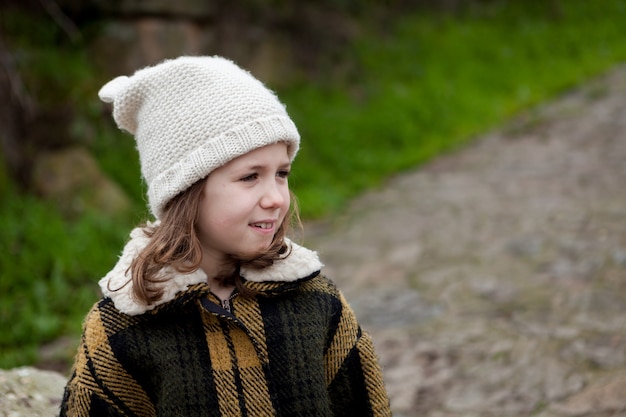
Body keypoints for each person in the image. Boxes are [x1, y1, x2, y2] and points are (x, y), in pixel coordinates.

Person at [59, 55, 392, 417]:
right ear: (185, 191)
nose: (277, 198)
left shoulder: (318, 304)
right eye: (250, 177)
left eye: (281, 173)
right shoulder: (120, 331)